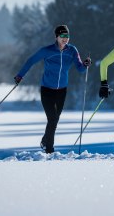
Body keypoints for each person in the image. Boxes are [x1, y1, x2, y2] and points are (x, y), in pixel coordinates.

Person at [14, 25, 90, 154]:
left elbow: (80, 69)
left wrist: (85, 64)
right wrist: (20, 75)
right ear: (56, 37)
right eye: (62, 36)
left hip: (62, 90)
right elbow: (31, 61)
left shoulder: (72, 50)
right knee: (52, 119)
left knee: (54, 120)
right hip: (47, 90)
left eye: (67, 36)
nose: (65, 39)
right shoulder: (47, 50)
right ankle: (49, 149)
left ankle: (45, 141)